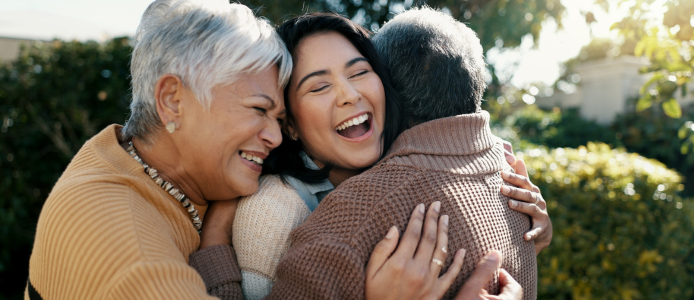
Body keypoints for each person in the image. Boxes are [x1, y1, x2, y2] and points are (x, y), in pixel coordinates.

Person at [24, 1, 494, 299]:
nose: (274, 135)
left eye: (277, 116)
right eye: (258, 109)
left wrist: (499, 188)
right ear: (172, 100)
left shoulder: (146, 161)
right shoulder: (131, 254)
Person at [232, 11, 551, 300]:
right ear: (290, 126)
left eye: (359, 73)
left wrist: (526, 234)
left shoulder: (455, 178)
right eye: (318, 87)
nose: (349, 95)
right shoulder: (272, 211)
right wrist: (216, 245)